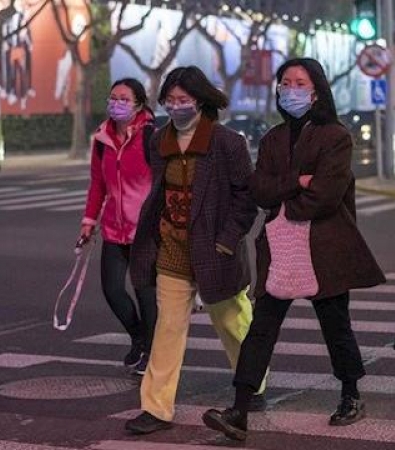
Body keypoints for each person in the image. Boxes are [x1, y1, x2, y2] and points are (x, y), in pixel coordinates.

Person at [200, 57, 386, 442]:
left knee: (336, 326)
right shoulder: (272, 139)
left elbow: (326, 195)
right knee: (262, 327)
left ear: (315, 90)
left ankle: (350, 395)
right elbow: (259, 189)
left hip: (324, 245)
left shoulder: (336, 136)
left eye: (299, 83)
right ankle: (239, 407)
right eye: (285, 83)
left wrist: (287, 199)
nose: (291, 89)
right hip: (281, 246)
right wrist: (295, 183)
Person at [126, 66, 266, 435]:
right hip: (172, 246)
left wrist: (227, 239)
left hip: (215, 248)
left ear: (200, 101)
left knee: (232, 321)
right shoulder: (158, 141)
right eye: (170, 100)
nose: (175, 107)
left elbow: (246, 198)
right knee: (167, 327)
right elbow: (158, 192)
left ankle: (254, 381)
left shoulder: (227, 143)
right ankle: (156, 407)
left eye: (182, 100)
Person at [80, 78, 156, 377]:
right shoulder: (102, 139)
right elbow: (97, 185)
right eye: (113, 98)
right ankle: (138, 337)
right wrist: (89, 221)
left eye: (124, 99)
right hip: (114, 228)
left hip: (145, 231)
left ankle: (151, 351)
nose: (117, 104)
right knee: (112, 290)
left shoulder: (151, 136)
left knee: (145, 294)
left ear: (138, 104)